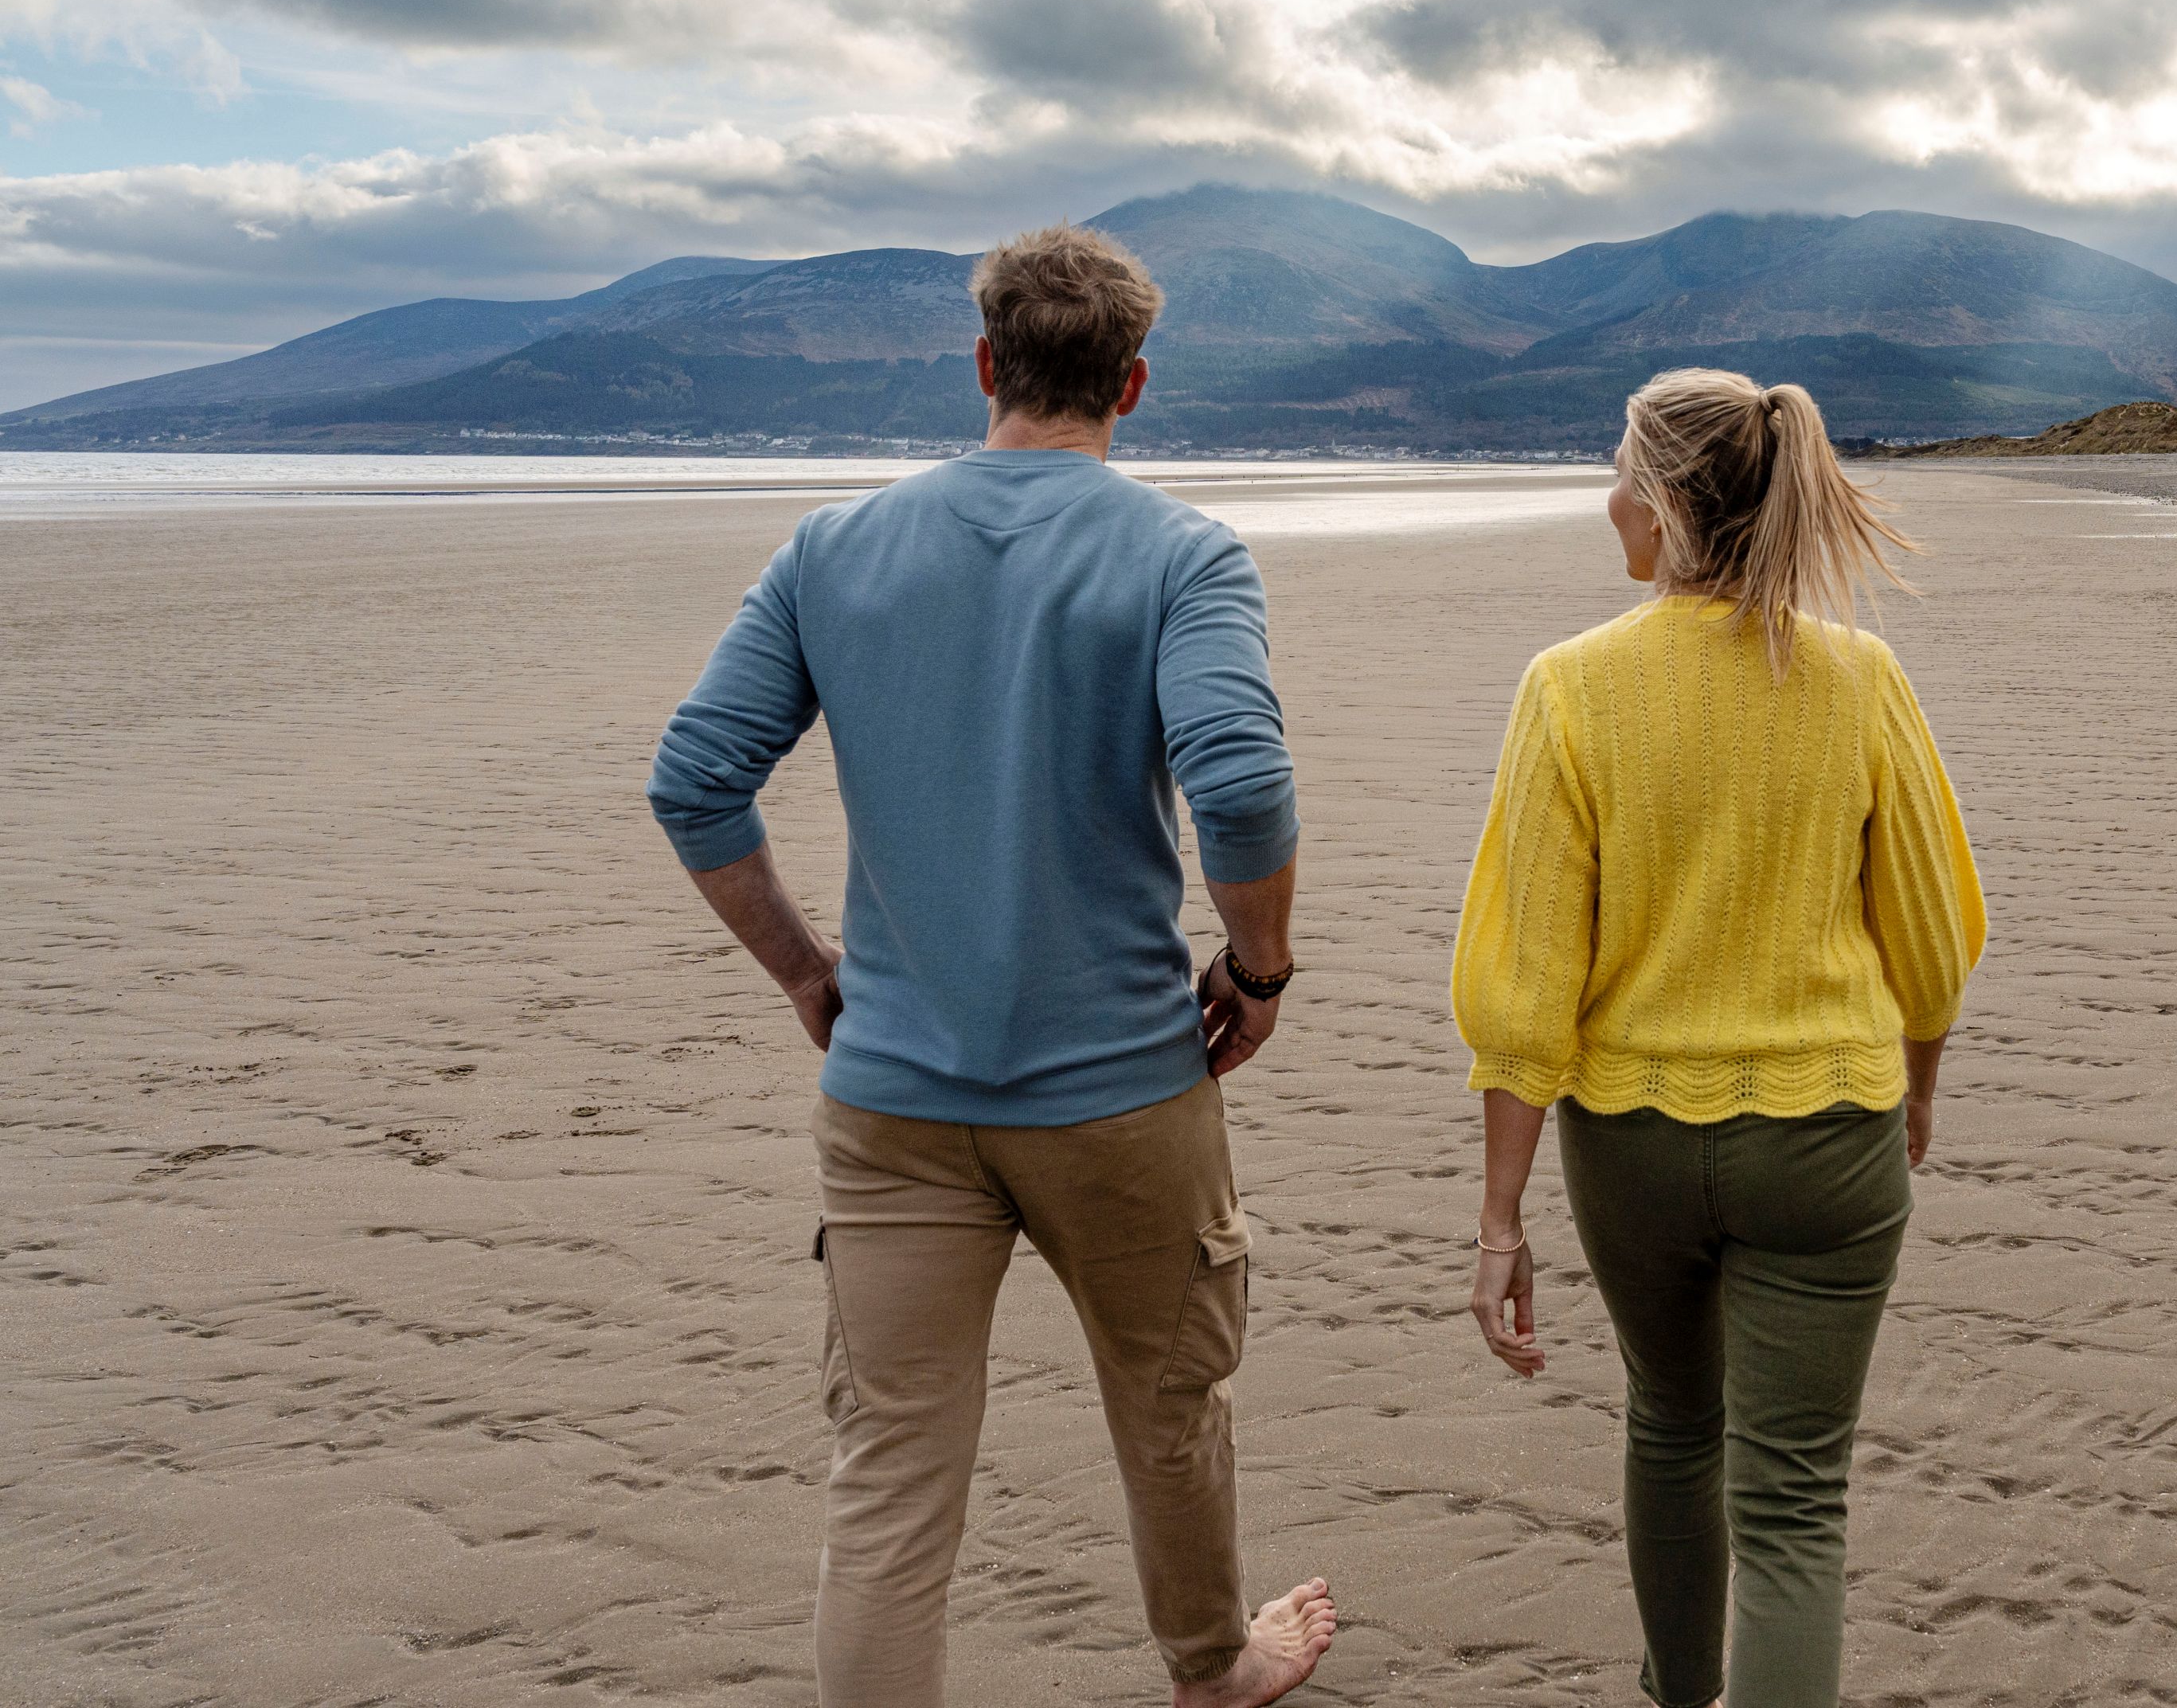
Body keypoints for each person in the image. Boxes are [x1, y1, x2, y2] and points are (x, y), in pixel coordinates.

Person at [647, 224, 1336, 1708]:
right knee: (1168, 1413)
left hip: (894, 1094)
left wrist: (803, 974)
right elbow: (1241, 774)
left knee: (890, 1476)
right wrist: (1259, 970)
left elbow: (695, 779)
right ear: (1133, 385)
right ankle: (1211, 1670)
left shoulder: (834, 548)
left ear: (983, 365)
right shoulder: (1181, 553)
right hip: (1122, 1098)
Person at [1452, 366, 1986, 1708]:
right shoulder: (1861, 681)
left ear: (1674, 504)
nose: (1607, 499)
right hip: (1830, 1137)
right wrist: (1915, 1095)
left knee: (1672, 1430)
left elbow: (1527, 986)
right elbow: (1929, 940)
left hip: (1628, 1148)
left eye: (1622, 472)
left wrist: (1499, 1219)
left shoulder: (1570, 689)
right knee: (1796, 1507)